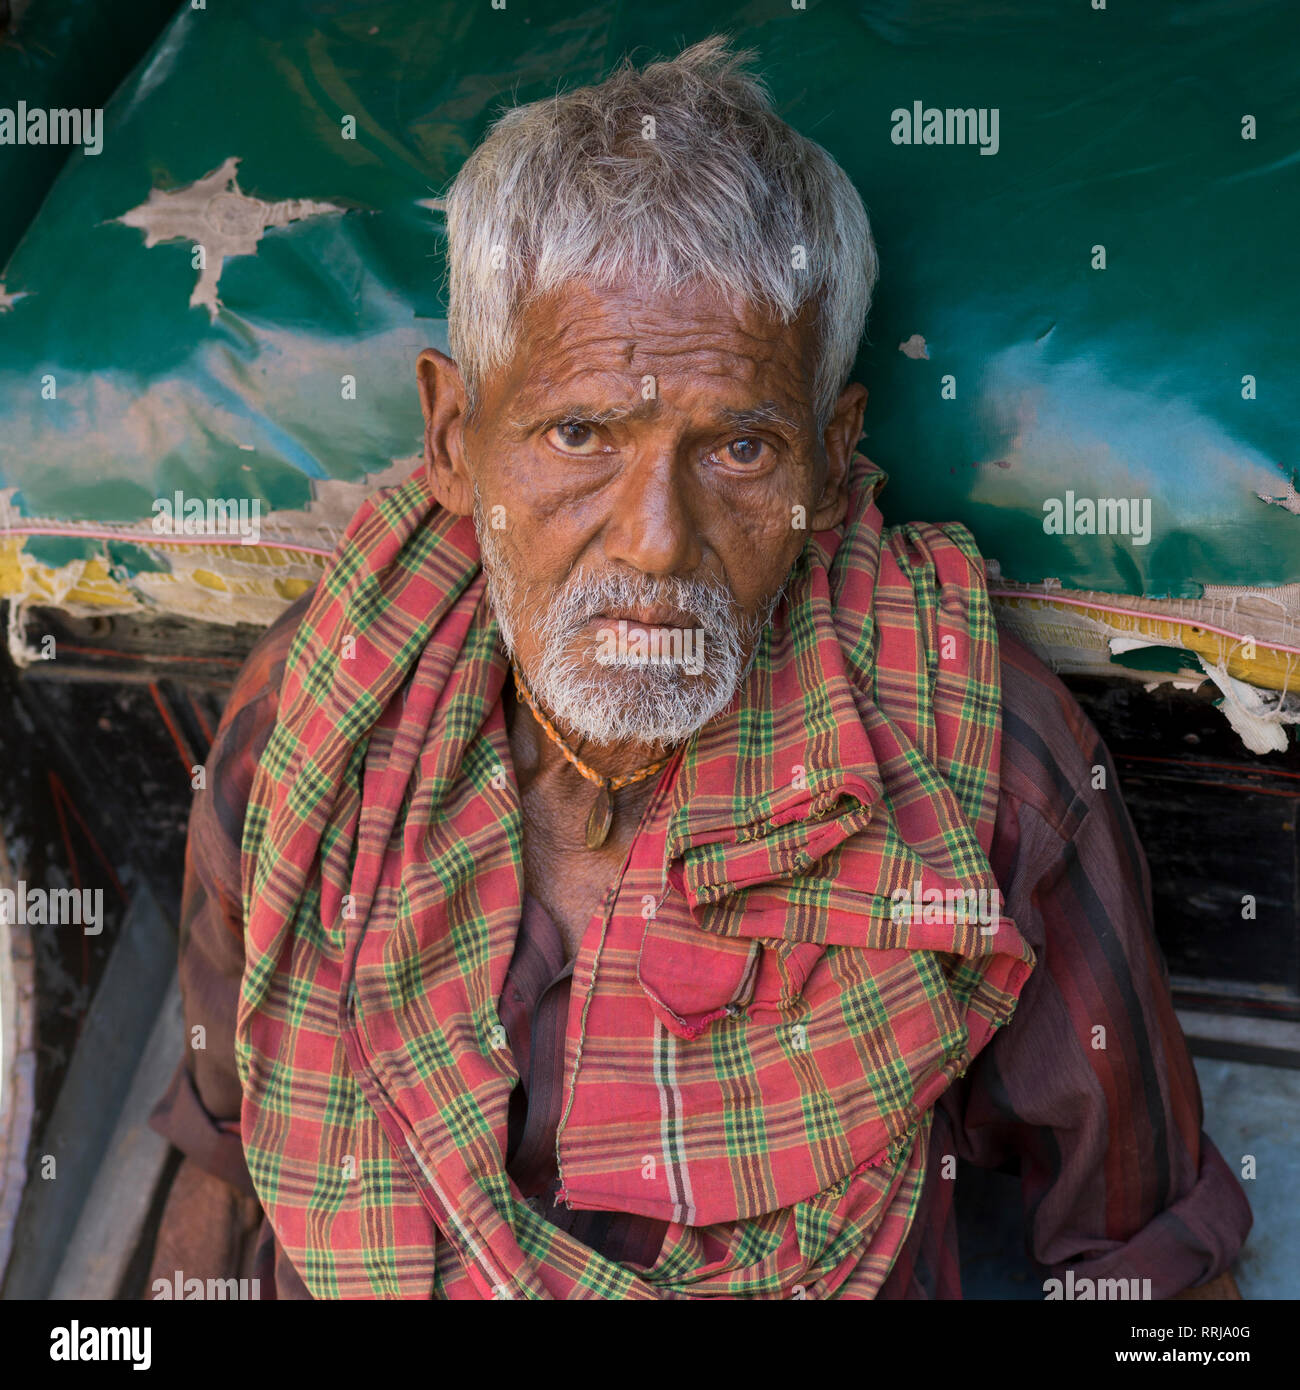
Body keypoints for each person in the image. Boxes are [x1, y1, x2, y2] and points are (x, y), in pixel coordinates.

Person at [147, 35, 1250, 1300]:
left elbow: (1147, 1267)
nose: (654, 542)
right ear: (455, 440)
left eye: (737, 449)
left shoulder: (981, 771)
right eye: (578, 433)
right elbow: (230, 1144)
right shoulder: (315, 717)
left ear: (830, 461)